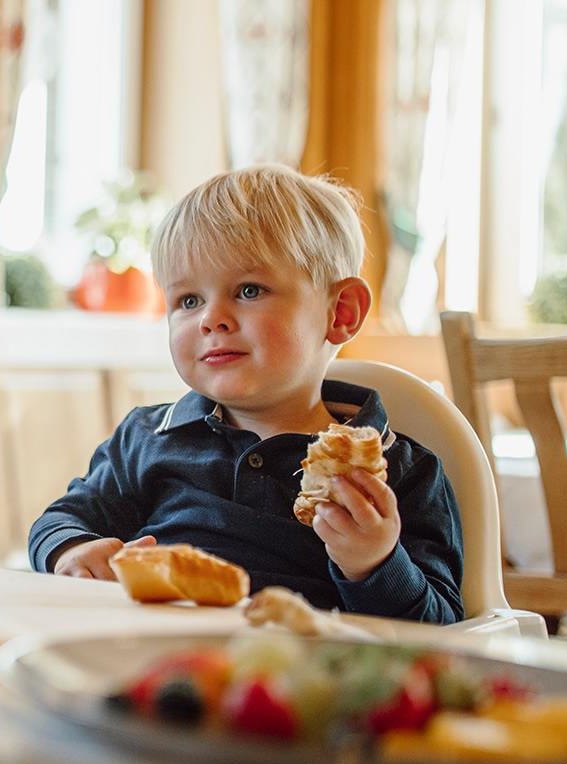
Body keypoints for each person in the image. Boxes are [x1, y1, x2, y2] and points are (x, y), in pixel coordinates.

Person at [27, 165, 463, 623]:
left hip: (302, 664)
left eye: (248, 290)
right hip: (153, 656)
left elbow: (442, 629)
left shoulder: (402, 474)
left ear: (341, 313)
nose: (210, 319)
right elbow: (59, 521)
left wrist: (374, 564)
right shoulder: (147, 439)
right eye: (189, 300)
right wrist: (73, 551)